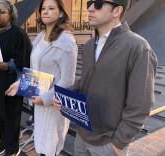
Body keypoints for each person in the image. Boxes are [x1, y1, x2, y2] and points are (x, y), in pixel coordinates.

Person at [53, 0, 157, 155]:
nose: (90, 8)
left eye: (99, 3)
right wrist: (65, 93)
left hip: (109, 143)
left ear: (117, 11)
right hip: (82, 135)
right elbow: (88, 81)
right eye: (89, 3)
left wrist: (119, 142)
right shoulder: (88, 46)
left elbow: (141, 103)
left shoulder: (138, 47)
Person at [6, 0, 78, 155]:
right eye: (43, 8)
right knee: (41, 144)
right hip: (37, 101)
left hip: (53, 105)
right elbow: (34, 69)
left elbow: (67, 81)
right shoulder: (40, 37)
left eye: (51, 8)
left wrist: (44, 98)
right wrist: (20, 83)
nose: (45, 11)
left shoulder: (67, 41)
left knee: (50, 147)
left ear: (60, 13)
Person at [0, 0, 32, 155]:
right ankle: (3, 143)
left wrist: (8, 65)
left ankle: (13, 149)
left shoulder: (19, 34)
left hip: (12, 84)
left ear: (10, 14)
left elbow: (25, 58)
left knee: (12, 118)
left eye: (2, 12)